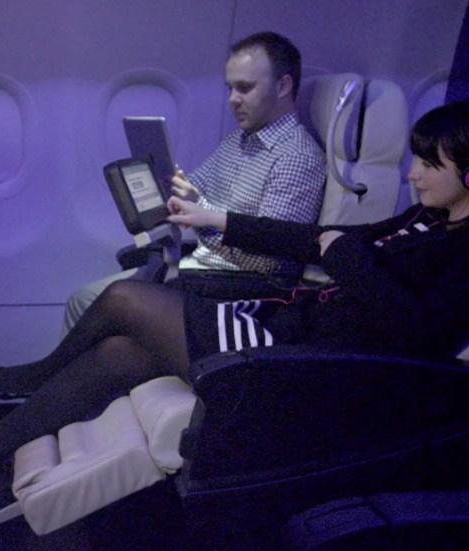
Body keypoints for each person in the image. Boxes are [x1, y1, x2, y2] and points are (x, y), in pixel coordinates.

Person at [0, 97, 469, 479]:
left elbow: (420, 335)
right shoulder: (429, 218)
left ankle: (33, 378)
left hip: (314, 371)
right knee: (119, 351)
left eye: (429, 163)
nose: (414, 174)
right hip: (292, 332)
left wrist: (344, 256)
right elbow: (319, 239)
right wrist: (219, 220)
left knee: (124, 299)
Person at [54, 31, 327, 339]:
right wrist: (169, 188)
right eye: (230, 88)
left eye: (245, 88)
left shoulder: (297, 158)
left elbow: (269, 260)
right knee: (83, 302)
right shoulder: (237, 142)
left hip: (231, 289)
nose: (233, 99)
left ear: (283, 86)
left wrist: (201, 214)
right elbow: (195, 188)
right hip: (198, 267)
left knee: (94, 306)